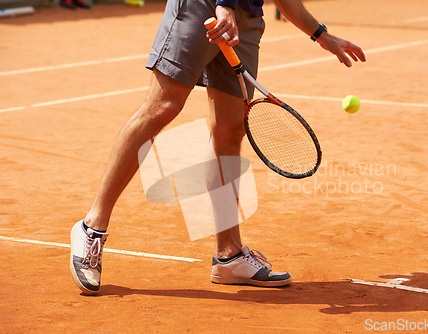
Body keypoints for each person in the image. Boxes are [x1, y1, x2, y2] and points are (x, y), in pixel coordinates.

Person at [70, 0, 366, 295]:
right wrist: (224, 4)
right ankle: (92, 227)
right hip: (204, 5)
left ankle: (229, 255)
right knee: (163, 106)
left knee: (230, 129)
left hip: (246, 16)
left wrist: (321, 34)